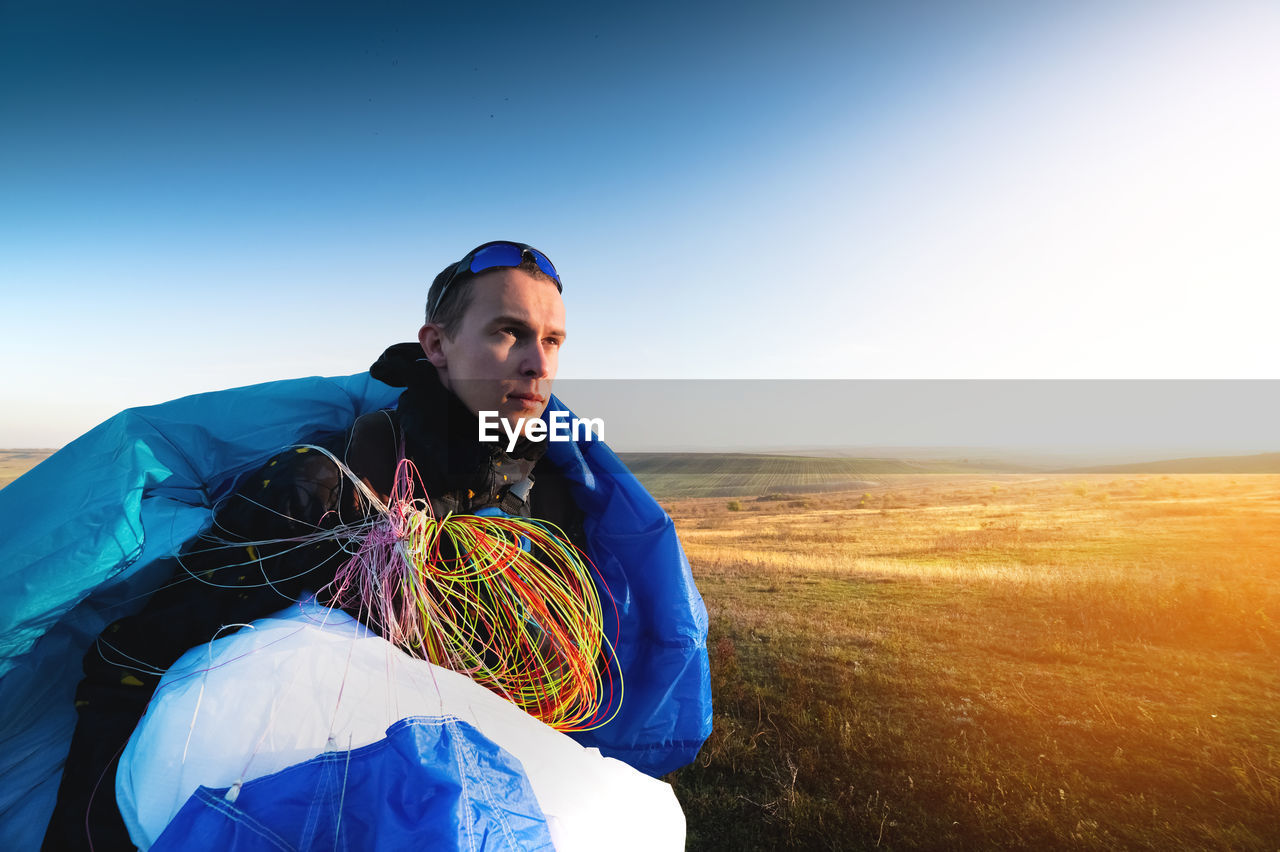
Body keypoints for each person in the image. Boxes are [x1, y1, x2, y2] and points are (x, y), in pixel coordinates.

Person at [39, 240, 625, 850]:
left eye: (553, 340)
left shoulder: (552, 497)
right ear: (437, 346)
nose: (538, 365)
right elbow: (134, 669)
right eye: (510, 332)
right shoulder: (325, 487)